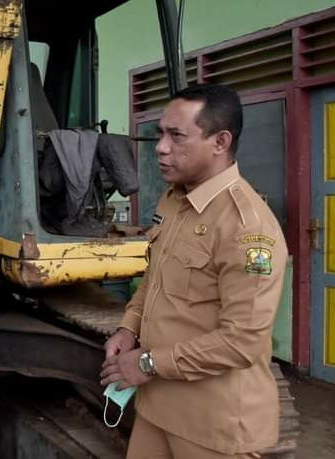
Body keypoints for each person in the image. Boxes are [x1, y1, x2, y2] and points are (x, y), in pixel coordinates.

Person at [100, 84, 287, 458]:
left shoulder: (247, 228)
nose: (161, 147)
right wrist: (128, 326)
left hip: (212, 426)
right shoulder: (175, 200)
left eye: (176, 136)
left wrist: (149, 363)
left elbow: (242, 342)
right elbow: (155, 279)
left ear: (220, 142)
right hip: (157, 408)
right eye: (160, 134)